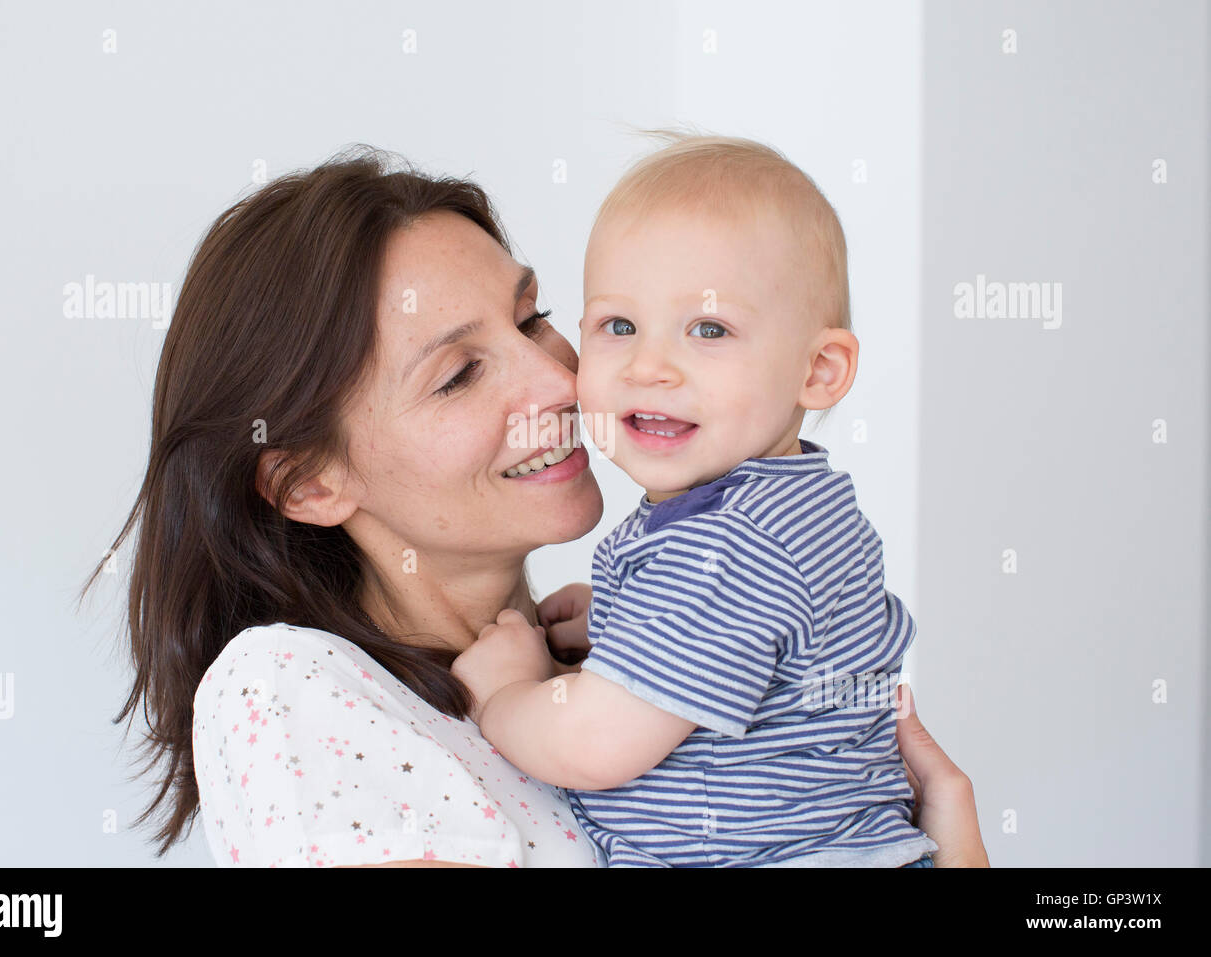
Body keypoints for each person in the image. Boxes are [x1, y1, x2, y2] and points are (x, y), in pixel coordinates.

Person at [86, 146, 990, 868]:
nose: (563, 379)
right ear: (310, 483)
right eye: (460, 374)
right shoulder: (292, 689)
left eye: (532, 317)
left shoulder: (597, 666)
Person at [452, 134, 937, 867]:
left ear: (820, 369)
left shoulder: (727, 546)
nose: (650, 366)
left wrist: (507, 692)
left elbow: (593, 743)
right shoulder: (792, 507)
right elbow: (765, 643)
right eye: (619, 326)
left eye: (709, 329)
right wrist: (626, 612)